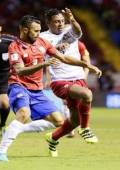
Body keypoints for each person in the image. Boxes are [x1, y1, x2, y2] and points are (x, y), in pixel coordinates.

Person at [0, 15, 101, 161]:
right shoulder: (15, 47)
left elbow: (63, 58)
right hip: (18, 85)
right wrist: (44, 64)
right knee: (24, 113)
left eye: (39, 31)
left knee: (58, 121)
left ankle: (16, 129)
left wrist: (86, 65)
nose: (38, 34)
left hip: (36, 90)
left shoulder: (42, 42)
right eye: (35, 31)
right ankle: (1, 152)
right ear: (24, 30)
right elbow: (19, 70)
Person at [40, 8, 99, 148]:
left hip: (78, 78)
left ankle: (53, 138)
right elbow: (40, 54)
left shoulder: (69, 31)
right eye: (56, 22)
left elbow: (78, 32)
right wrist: (53, 51)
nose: (60, 24)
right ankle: (85, 128)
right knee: (87, 94)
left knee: (74, 120)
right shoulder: (42, 37)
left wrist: (72, 19)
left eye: (62, 20)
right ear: (48, 23)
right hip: (59, 80)